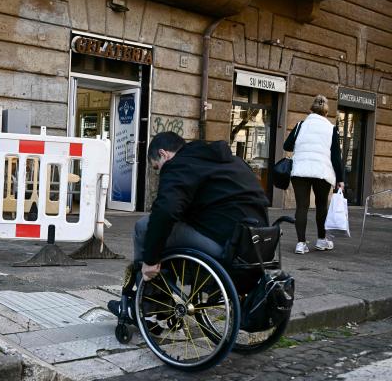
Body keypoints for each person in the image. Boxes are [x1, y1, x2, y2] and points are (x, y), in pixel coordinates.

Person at [108, 131, 270, 318]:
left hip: (226, 246)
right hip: (255, 247)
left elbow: (166, 211)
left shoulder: (179, 165)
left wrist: (150, 260)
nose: (159, 172)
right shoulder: (234, 162)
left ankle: (150, 300)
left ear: (163, 154)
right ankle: (161, 293)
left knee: (145, 227)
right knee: (167, 229)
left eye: (156, 167)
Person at [284, 95, 344, 254]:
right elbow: (336, 157)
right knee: (321, 205)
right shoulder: (331, 128)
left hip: (300, 170)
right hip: (322, 171)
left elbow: (287, 146)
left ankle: (300, 244)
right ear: (326, 112)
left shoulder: (300, 125)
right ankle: (321, 240)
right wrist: (341, 179)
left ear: (311, 109)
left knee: (301, 206)